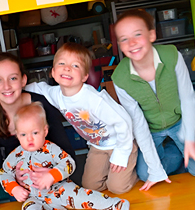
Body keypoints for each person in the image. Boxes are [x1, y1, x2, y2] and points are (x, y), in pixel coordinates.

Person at [0, 103, 128, 210]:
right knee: (28, 207)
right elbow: (4, 173)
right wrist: (14, 188)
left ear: (45, 131)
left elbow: (68, 163)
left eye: (35, 133)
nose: (29, 138)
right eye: (23, 134)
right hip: (35, 198)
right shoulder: (15, 155)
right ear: (17, 136)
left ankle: (114, 204)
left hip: (61, 192)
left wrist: (51, 175)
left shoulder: (51, 148)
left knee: (83, 196)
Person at [26, 43, 139, 194]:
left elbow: (123, 122)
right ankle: (114, 177)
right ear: (52, 72)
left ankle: (133, 172)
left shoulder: (93, 99)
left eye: (75, 65)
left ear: (85, 76)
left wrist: (122, 153)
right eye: (62, 63)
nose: (67, 68)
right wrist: (16, 87)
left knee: (117, 188)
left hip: (120, 142)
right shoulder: (56, 94)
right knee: (90, 186)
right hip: (97, 146)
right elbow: (39, 88)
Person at [111, 8, 195, 190]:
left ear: (151, 35)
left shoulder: (172, 56)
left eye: (137, 34)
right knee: (145, 173)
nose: (132, 43)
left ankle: (181, 149)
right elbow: (138, 122)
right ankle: (177, 154)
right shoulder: (120, 77)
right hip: (152, 130)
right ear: (119, 44)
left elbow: (188, 98)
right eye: (124, 39)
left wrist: (190, 139)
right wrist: (155, 169)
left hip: (181, 121)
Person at [0, 52, 78, 200]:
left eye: (13, 78)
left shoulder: (41, 105)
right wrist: (15, 181)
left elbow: (68, 154)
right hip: (21, 187)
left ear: (23, 80)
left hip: (54, 180)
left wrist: (51, 174)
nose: (6, 86)